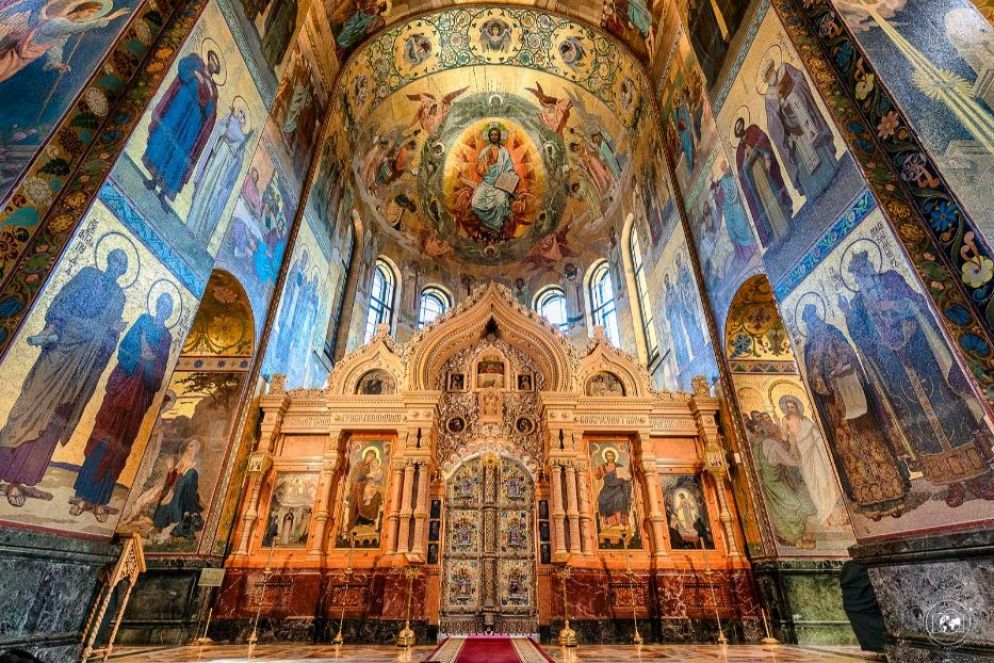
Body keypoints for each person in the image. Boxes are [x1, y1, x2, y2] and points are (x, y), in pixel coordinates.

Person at [0, 249, 128, 507]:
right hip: (62, 348)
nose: (116, 266)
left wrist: (111, 333)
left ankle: (23, 479)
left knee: (56, 417)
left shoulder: (119, 297)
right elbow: (63, 301)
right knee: (31, 402)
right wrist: (58, 325)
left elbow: (109, 339)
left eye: (121, 264)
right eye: (114, 260)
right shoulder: (88, 275)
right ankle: (6, 471)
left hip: (82, 366)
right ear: (107, 260)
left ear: (124, 271)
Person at [70, 293, 174, 522]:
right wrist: (140, 357)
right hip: (123, 386)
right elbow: (125, 347)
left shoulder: (166, 337)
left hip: (139, 396)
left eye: (168, 307)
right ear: (157, 304)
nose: (163, 309)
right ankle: (83, 496)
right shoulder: (143, 321)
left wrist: (150, 363)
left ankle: (100, 501)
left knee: (120, 446)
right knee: (103, 437)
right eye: (162, 304)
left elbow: (160, 370)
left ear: (170, 312)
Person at [142, 51, 221, 209]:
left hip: (193, 122)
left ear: (216, 70)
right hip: (179, 106)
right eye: (212, 60)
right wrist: (195, 75)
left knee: (179, 154)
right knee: (166, 139)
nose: (212, 64)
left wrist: (210, 99)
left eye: (215, 65)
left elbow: (210, 114)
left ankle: (163, 192)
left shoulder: (213, 90)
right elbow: (182, 68)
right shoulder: (196, 63)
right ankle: (154, 181)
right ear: (208, 58)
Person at [0, 0, 129, 83]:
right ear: (81, 8)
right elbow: (79, 27)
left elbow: (56, 45)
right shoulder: (62, 22)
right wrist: (110, 18)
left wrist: (55, 62)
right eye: (90, 11)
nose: (90, 15)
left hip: (26, 54)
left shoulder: (64, 26)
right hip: (20, 49)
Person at [186, 103, 252, 244]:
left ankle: (201, 234)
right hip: (214, 163)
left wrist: (235, 157)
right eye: (240, 112)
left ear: (245, 122)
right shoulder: (228, 119)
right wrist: (222, 131)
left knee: (213, 198)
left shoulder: (242, 139)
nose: (240, 116)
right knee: (204, 189)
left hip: (223, 172)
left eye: (244, 117)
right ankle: (191, 225)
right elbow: (217, 132)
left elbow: (239, 163)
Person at [471, 125, 517, 232]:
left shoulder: (504, 152)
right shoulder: (485, 151)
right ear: (489, 136)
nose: (494, 136)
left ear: (499, 136)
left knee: (500, 203)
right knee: (475, 202)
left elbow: (509, 169)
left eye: (496, 134)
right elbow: (479, 169)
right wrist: (484, 167)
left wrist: (504, 182)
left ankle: (495, 226)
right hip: (486, 183)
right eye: (492, 135)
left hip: (499, 184)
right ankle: (485, 223)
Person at [594, 449, 631, 528]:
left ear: (614, 456)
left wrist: (623, 477)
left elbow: (626, 476)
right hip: (607, 488)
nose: (609, 457)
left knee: (619, 496)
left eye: (611, 455)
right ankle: (608, 522)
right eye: (608, 456)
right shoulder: (603, 466)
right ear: (605, 457)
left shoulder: (619, 465)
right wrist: (597, 468)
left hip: (618, 487)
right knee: (602, 498)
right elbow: (598, 477)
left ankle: (620, 521)